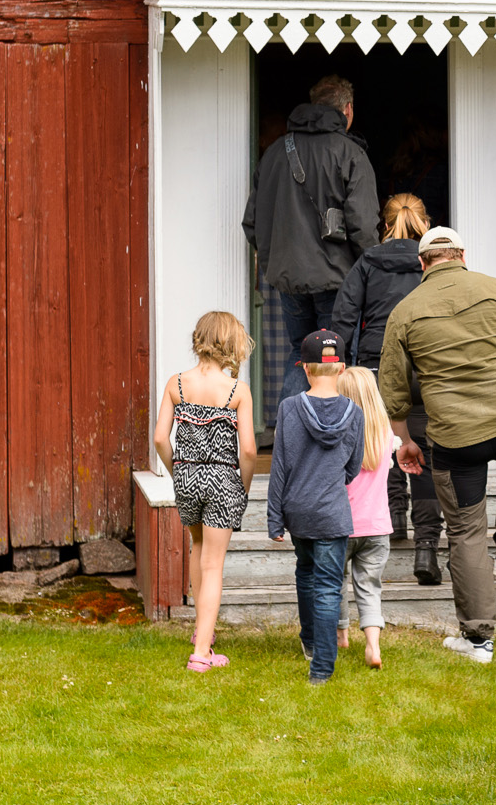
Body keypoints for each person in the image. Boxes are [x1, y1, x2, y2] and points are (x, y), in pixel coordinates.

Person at [378, 227, 496, 665]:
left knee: (464, 533)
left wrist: (405, 442)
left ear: (422, 264)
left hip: (453, 441)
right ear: (461, 255)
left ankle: (478, 641)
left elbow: (392, 390)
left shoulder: (404, 312)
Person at [242, 75, 379, 420]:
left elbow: (252, 224)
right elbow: (363, 227)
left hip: (288, 281)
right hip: (338, 281)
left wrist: (277, 265)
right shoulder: (351, 153)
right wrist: (371, 273)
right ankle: (331, 443)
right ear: (347, 110)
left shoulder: (274, 152)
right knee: (335, 359)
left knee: (300, 356)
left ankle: (291, 437)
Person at [330, 192, 445, 582]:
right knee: (425, 448)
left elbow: (344, 316)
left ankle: (393, 515)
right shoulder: (431, 264)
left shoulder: (368, 262)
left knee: (386, 438)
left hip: (379, 365)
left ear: (385, 223)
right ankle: (427, 548)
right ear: (424, 222)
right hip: (426, 364)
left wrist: (338, 365)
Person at [152, 310, 257, 673]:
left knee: (198, 550)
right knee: (214, 563)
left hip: (186, 478)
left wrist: (177, 470)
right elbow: (248, 451)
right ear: (230, 344)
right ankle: (201, 653)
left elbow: (160, 439)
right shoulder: (236, 390)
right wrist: (242, 488)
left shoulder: (176, 384)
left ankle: (203, 630)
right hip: (222, 480)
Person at [264, 328, 365, 686]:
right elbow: (353, 468)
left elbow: (280, 467)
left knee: (305, 573)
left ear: (305, 369)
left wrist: (274, 517)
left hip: (298, 511)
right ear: (340, 369)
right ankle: (321, 667)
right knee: (327, 587)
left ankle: (309, 642)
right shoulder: (354, 413)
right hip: (332, 512)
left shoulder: (289, 409)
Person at [334, 366, 399, 669]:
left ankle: (341, 634)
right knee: (369, 586)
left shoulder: (339, 434)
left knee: (335, 582)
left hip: (342, 524)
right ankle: (373, 646)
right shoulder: (386, 434)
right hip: (377, 527)